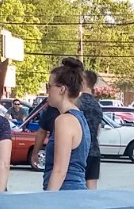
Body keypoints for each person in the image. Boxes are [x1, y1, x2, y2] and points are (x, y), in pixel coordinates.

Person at [41, 57, 89, 191]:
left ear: (62, 89)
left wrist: (48, 200)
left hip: (65, 194)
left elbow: (60, 171)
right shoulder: (80, 118)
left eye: (48, 86)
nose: (47, 92)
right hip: (75, 192)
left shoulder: (64, 120)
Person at [80, 69, 105, 189]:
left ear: (84, 83)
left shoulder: (78, 103)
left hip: (80, 151)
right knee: (92, 187)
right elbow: (98, 129)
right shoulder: (97, 105)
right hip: (95, 149)